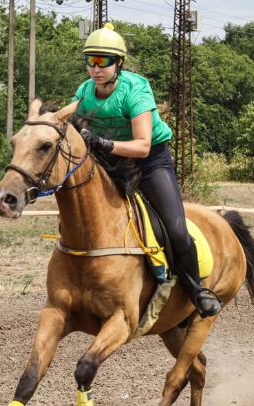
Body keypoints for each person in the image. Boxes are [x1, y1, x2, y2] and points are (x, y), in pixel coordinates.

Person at [73, 23, 222, 317]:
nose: (96, 68)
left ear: (119, 63)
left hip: (150, 162)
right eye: (91, 60)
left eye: (103, 61)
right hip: (111, 163)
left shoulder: (136, 88)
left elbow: (142, 145)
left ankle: (197, 290)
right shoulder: (84, 91)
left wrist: (101, 141)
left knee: (177, 230)